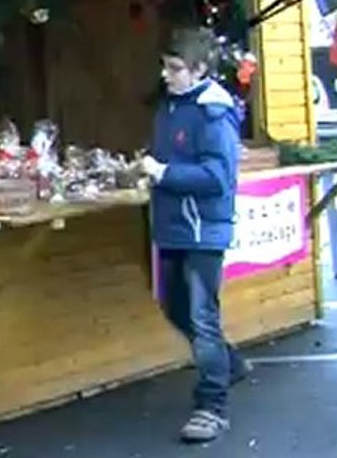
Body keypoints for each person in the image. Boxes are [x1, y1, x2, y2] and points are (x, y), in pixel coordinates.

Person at [140, 27, 252, 444]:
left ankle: (212, 407)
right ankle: (228, 363)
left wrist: (164, 173)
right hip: (172, 227)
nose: (166, 75)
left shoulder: (213, 112)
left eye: (175, 68)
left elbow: (218, 177)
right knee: (174, 308)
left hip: (203, 231)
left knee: (203, 319)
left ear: (200, 69)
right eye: (165, 67)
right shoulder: (170, 106)